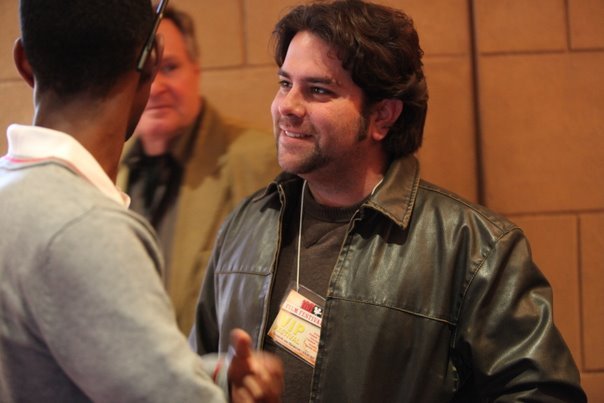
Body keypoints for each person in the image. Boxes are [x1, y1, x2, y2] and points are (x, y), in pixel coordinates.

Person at [190, 1, 587, 401]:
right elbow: (193, 372)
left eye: (318, 90)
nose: (287, 107)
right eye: (284, 83)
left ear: (382, 116)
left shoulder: (473, 248)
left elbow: (542, 394)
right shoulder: (245, 224)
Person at [0, 0, 282, 402]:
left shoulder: (11, 188)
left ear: (23, 61)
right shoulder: (87, 228)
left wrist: (207, 377)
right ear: (152, 60)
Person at [117, 6, 281, 335]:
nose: (155, 86)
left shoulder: (259, 161)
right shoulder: (109, 170)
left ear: (196, 69)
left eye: (170, 67)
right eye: (141, 71)